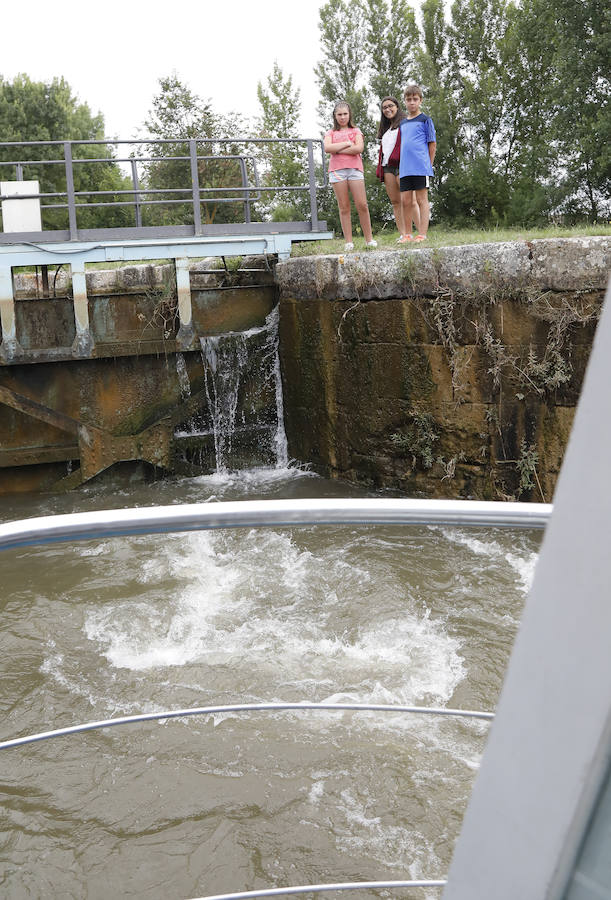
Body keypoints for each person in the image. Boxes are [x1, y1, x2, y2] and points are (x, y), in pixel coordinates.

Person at [324, 101, 377, 252]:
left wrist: (338, 149)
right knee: (344, 207)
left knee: (362, 204)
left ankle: (369, 240)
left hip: (355, 169)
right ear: (335, 116)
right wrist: (348, 144)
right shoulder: (330, 133)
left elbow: (359, 148)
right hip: (337, 171)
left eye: (345, 114)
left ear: (349, 114)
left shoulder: (356, 131)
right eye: (339, 114)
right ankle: (348, 241)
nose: (342, 117)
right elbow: (328, 148)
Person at [376, 96, 420, 241]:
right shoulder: (385, 129)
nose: (388, 109)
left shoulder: (406, 122)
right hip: (388, 167)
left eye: (390, 106)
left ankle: (421, 233)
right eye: (384, 108)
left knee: (410, 201)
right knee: (396, 202)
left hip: (403, 165)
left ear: (397, 106)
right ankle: (404, 234)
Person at [397, 84, 436, 243]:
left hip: (421, 167)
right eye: (408, 99)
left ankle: (422, 234)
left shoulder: (426, 120)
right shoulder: (402, 123)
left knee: (421, 200)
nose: (411, 102)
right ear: (405, 101)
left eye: (415, 99)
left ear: (420, 100)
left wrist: (429, 165)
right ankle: (407, 234)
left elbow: (432, 144)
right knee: (406, 201)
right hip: (405, 168)